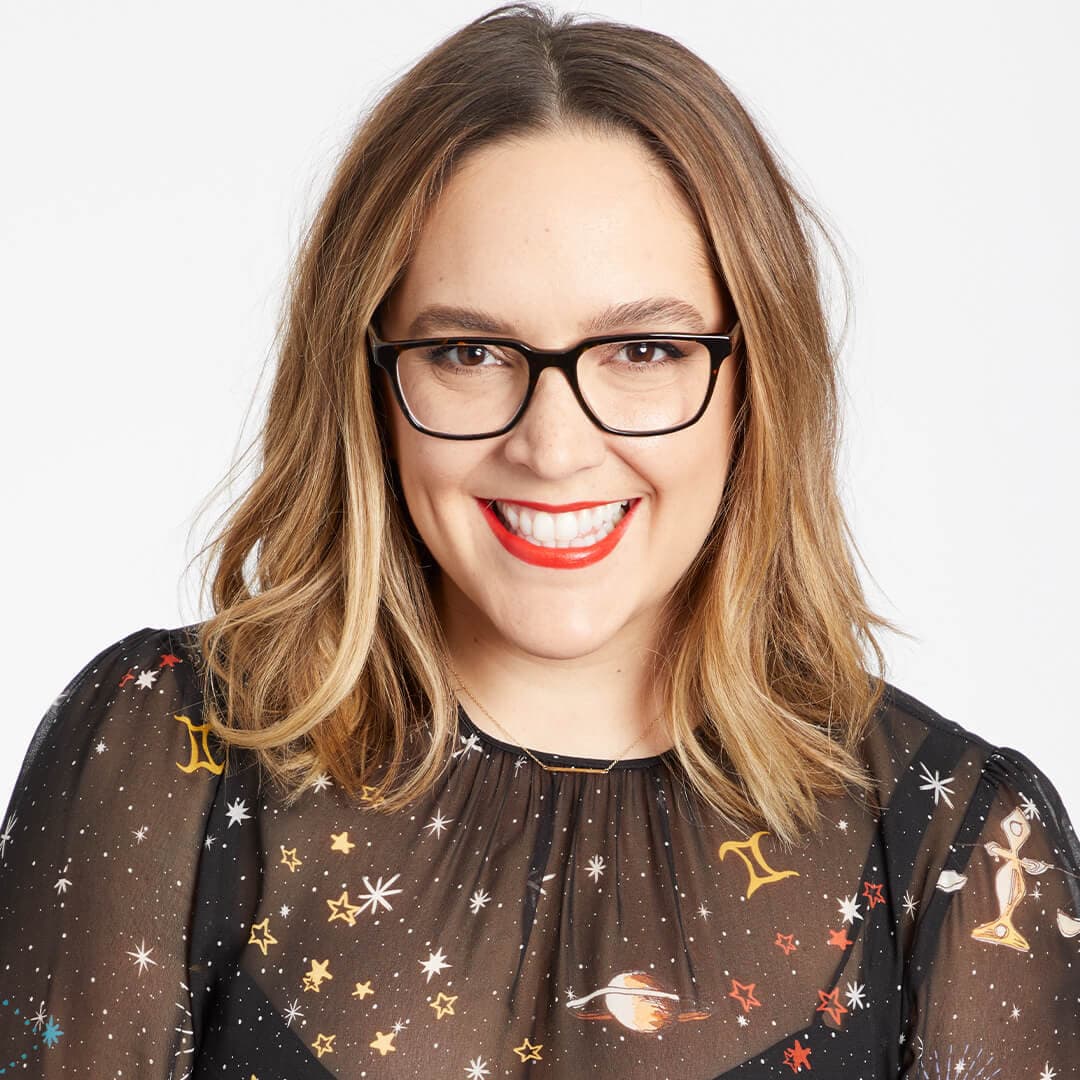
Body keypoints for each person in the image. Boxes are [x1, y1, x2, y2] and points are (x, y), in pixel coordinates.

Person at [2, 4, 1078, 1077]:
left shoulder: (958, 846)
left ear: (757, 384)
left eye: (644, 350)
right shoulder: (166, 753)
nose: (554, 447)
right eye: (470, 351)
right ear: (367, 379)